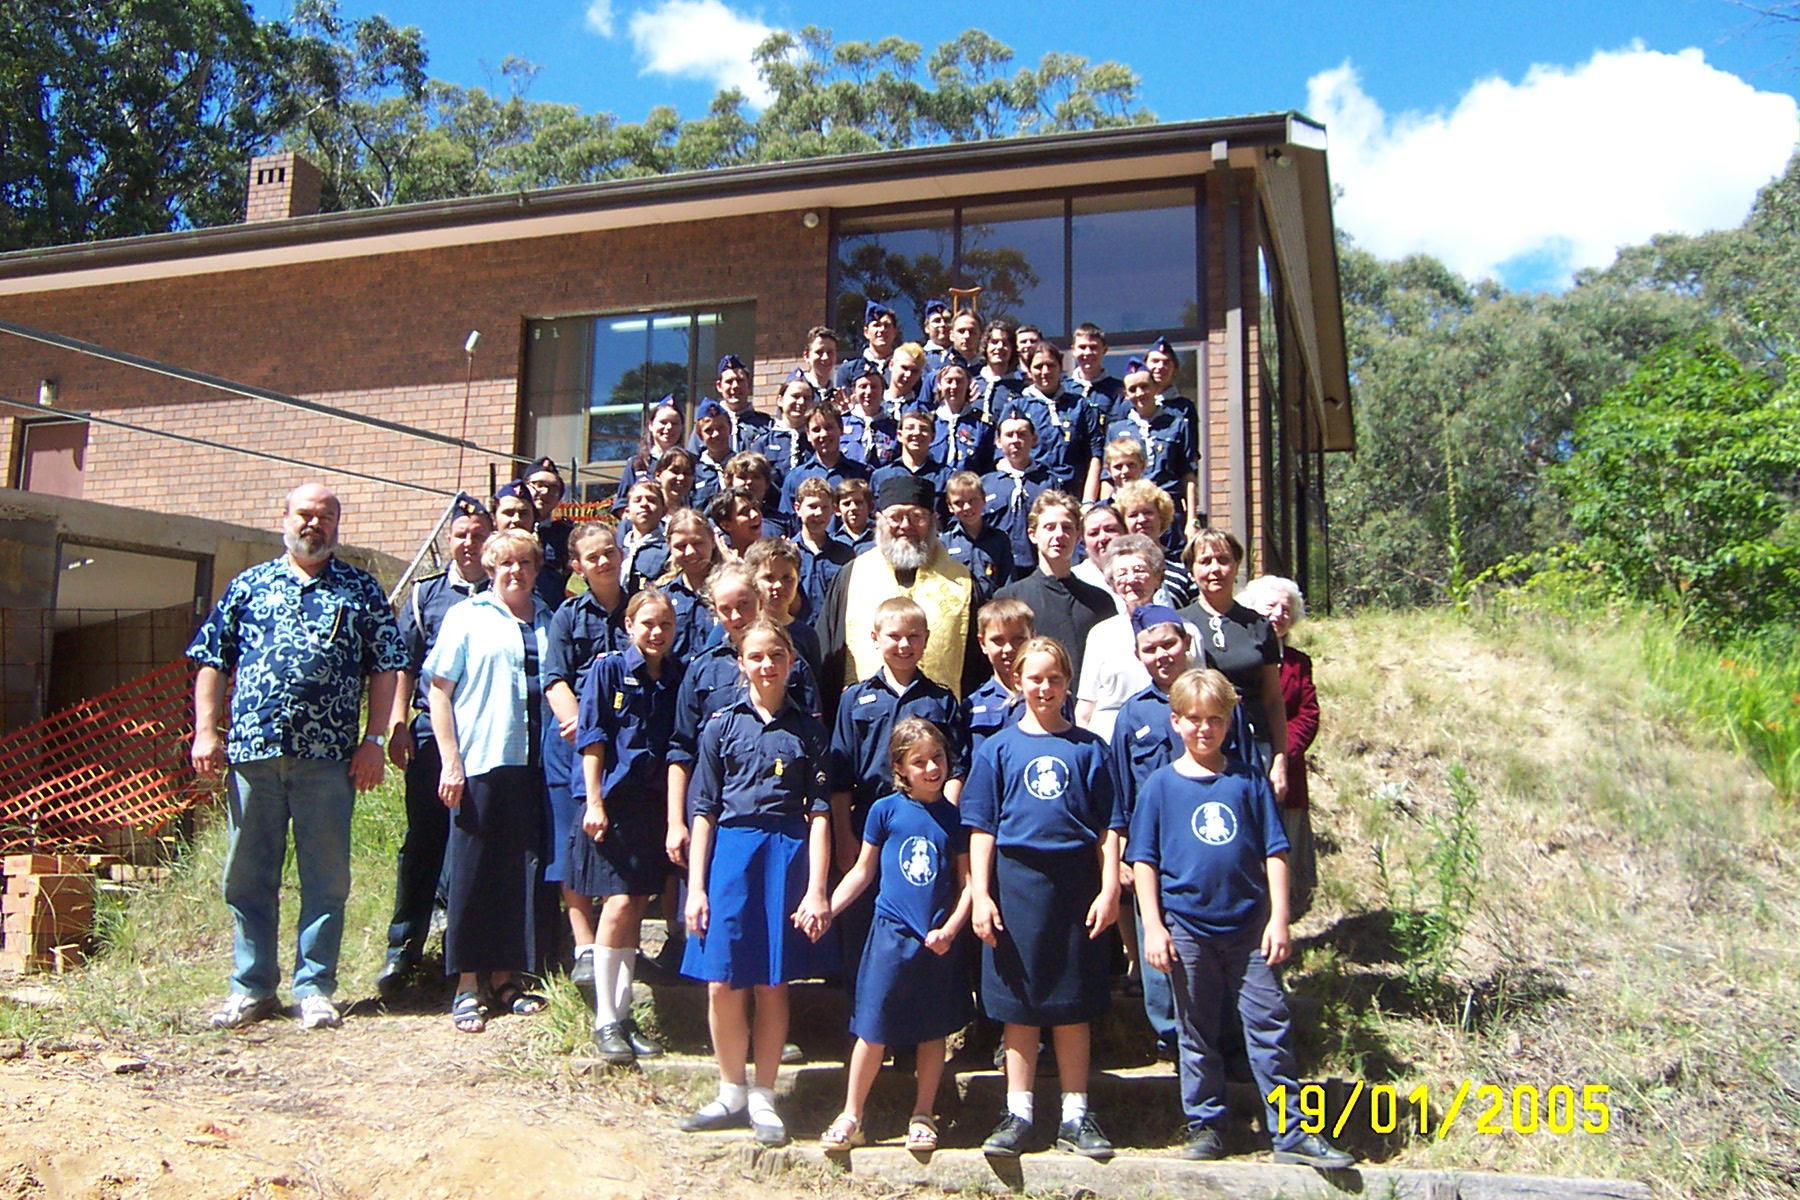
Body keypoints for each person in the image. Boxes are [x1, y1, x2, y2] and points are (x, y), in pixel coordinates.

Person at [188, 483, 405, 1031]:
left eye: (326, 516)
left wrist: (373, 741)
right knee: (247, 877)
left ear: (337, 525)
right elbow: (213, 658)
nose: (315, 524)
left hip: (330, 759)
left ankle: (315, 988)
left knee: (325, 879)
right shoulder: (249, 584)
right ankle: (252, 987)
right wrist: (205, 732)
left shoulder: (361, 589)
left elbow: (386, 666)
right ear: (284, 517)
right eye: (305, 514)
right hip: (254, 754)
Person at [1128, 669, 1353, 1169]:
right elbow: (1144, 861)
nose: (1204, 729)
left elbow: (1275, 851)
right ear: (1175, 721)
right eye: (1193, 719)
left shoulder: (1248, 781)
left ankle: (1292, 1130)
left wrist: (1279, 919)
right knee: (1197, 1031)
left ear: (1229, 722)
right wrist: (1155, 926)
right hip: (1188, 927)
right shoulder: (1160, 787)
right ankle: (1207, 1124)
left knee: (1270, 1024)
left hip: (1250, 928)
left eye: (1214, 719)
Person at [962, 636, 1123, 1159]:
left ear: (1068, 683)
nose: (1045, 687)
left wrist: (1109, 887)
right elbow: (981, 828)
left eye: (1055, 678)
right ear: (1018, 681)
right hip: (1016, 885)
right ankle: (1019, 1112)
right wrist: (981, 894)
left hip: (1076, 887)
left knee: (1073, 1005)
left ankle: (1076, 1115)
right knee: (1021, 1006)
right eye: (1035, 678)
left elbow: (1110, 826)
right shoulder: (997, 749)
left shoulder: (1090, 749)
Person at [678, 620, 837, 1148]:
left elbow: (820, 814)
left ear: (791, 661)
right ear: (740, 663)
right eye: (756, 656)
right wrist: (696, 887)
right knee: (722, 980)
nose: (767, 665)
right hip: (730, 855)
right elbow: (703, 810)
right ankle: (731, 1091)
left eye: (777, 655)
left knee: (773, 981)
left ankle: (764, 1095)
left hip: (785, 857)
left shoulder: (810, 731)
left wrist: (817, 889)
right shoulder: (720, 726)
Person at [820, 718, 973, 1154]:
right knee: (873, 1027)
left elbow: (968, 886)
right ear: (900, 768)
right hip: (889, 934)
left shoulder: (956, 819)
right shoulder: (884, 811)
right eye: (919, 762)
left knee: (932, 1030)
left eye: (938, 758)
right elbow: (862, 872)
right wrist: (828, 908)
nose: (932, 768)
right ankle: (852, 1114)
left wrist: (950, 929)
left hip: (936, 940)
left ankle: (923, 1114)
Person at [424, 527, 554, 1033]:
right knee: (473, 870)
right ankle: (466, 985)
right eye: (505, 563)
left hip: (535, 763)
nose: (515, 571)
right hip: (482, 758)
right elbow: (439, 691)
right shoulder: (467, 616)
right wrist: (450, 761)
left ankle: (506, 979)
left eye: (525, 563)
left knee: (520, 870)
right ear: (490, 568)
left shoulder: (549, 618)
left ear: (536, 570)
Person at [378, 493, 491, 997]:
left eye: (478, 535)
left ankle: (459, 950)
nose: (469, 543)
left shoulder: (503, 592)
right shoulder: (426, 595)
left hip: (483, 731)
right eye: (461, 535)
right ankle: (403, 949)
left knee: (472, 839)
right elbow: (403, 663)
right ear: (449, 539)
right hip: (428, 730)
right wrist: (397, 724)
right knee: (423, 839)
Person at [578, 588, 684, 1064]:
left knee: (638, 905)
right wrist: (594, 801)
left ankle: (623, 1017)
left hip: (654, 804)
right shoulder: (608, 670)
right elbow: (593, 738)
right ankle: (604, 1018)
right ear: (629, 626)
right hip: (616, 803)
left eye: (665, 624)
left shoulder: (677, 675)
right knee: (618, 904)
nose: (657, 632)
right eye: (648, 624)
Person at [1106, 605, 1197, 1060]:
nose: (1162, 655)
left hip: (1205, 846)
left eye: (1169, 644)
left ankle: (1217, 1034)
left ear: (1186, 644)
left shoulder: (1218, 702)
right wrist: (1122, 851)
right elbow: (1120, 793)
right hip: (1153, 851)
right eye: (1150, 648)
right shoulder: (1133, 714)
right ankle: (1170, 1037)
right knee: (1155, 939)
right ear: (1138, 655)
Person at [543, 524, 631, 988]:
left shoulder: (640, 606)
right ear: (577, 566)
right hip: (573, 744)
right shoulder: (567, 615)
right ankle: (584, 946)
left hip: (629, 745)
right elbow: (555, 678)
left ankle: (622, 944)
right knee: (572, 842)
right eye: (593, 557)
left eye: (609, 552)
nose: (604, 562)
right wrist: (581, 724)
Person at [817, 474, 981, 708]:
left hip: (939, 716)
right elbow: (829, 656)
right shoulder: (852, 576)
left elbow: (977, 664)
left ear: (933, 520)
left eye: (917, 516)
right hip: (868, 717)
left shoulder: (962, 581)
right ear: (879, 520)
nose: (906, 526)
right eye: (895, 517)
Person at [1176, 531, 1288, 802]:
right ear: (1191, 570)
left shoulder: (1259, 625)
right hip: (1196, 748)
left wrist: (1280, 759)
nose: (1215, 569)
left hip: (1253, 746)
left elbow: (1274, 699)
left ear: (1237, 566)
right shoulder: (1178, 625)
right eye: (1205, 561)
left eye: (1223, 560)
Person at [1240, 575, 1319, 916]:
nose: (1278, 614)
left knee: (1282, 848)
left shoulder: (1299, 662)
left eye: (1286, 609)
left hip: (1285, 769)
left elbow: (1308, 714)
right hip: (1240, 763)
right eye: (1270, 606)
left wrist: (1281, 752)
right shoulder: (1239, 655)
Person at [1075, 536, 1203, 741]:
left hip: (1169, 735)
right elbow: (1086, 705)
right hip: (1111, 738)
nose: (1131, 579)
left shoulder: (1186, 630)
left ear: (1157, 578)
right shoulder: (1101, 634)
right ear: (1112, 583)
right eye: (1122, 573)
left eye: (1139, 570)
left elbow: (1201, 692)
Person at [994, 492, 1115, 687]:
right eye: (1049, 527)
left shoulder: (1100, 602)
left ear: (1077, 537)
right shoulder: (1010, 599)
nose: (1059, 534)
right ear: (1033, 534)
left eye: (1066, 528)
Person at [1106, 364, 1199, 546]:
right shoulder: (1116, 430)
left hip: (1170, 513)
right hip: (1133, 515)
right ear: (1126, 394)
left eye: (1144, 386)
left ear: (1156, 388)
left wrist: (1192, 520)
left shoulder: (1177, 425)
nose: (1140, 393)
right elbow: (1109, 478)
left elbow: (1188, 476)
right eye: (1133, 389)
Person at [1014, 343, 1103, 502]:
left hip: (1074, 494)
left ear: (1061, 368)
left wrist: (1088, 501)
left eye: (1051, 365)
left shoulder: (1079, 405)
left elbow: (1095, 453)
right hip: (1033, 495)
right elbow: (1003, 457)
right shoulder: (1018, 407)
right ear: (1029, 371)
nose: (1045, 371)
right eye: (1038, 366)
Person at [980, 410, 1054, 578]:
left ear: (1034, 440)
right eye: (1009, 435)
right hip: (995, 570)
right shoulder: (985, 484)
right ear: (998, 442)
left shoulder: (1048, 483)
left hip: (1037, 570)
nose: (1015, 440)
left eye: (1022, 434)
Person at [961, 597, 1035, 762]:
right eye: (998, 640)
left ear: (1032, 637)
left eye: (1018, 639)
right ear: (982, 643)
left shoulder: (1049, 697)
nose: (1008, 649)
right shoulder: (973, 705)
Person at [1112, 481, 1197, 606]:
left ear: (1161, 516)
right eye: (1133, 515)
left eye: (1148, 512)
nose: (1142, 520)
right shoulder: (1115, 569)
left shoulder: (1182, 567)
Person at [779, 401, 870, 516]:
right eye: (816, 429)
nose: (823, 434)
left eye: (829, 427)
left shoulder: (861, 474)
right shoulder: (795, 478)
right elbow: (786, 521)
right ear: (808, 435)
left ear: (841, 429)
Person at [655, 507, 722, 663]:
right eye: (681, 546)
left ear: (713, 540)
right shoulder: (663, 597)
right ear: (669, 545)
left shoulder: (729, 594)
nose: (690, 552)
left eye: (698, 543)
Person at [942, 470, 1015, 602]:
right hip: (960, 610)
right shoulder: (945, 543)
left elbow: (1008, 582)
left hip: (993, 609)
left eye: (972, 500)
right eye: (959, 503)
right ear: (950, 506)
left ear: (984, 498)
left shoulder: (1000, 540)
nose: (967, 507)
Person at [792, 477, 856, 620]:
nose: (819, 513)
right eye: (812, 506)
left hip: (833, 629)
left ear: (833, 510)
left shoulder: (845, 553)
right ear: (797, 508)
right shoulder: (788, 552)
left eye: (825, 507)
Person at [613, 396, 686, 513]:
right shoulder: (636, 464)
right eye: (663, 422)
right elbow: (621, 505)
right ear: (651, 425)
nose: (668, 427)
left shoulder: (690, 465)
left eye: (674, 423)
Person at [870, 409, 949, 513]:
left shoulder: (946, 476)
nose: (917, 432)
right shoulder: (881, 476)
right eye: (910, 428)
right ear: (899, 435)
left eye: (924, 429)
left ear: (933, 437)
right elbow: (872, 515)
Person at [522, 457, 575, 609]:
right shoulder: (507, 529)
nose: (545, 492)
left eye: (553, 488)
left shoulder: (567, 536)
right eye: (538, 485)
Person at [929, 361, 995, 476]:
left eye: (959, 381)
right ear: (939, 384)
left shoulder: (981, 424)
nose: (954, 386)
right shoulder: (930, 422)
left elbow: (988, 465)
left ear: (968, 384)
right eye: (949, 381)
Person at [699, 354, 771, 455]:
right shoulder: (706, 426)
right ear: (719, 386)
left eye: (740, 380)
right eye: (729, 381)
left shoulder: (767, 425)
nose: (735, 386)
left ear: (749, 384)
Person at [755, 375, 815, 488]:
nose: (801, 402)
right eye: (795, 396)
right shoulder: (764, 442)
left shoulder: (816, 442)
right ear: (780, 400)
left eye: (807, 398)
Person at [840, 361, 899, 468]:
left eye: (874, 386)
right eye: (863, 386)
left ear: (882, 392)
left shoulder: (894, 428)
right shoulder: (841, 423)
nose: (868, 392)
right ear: (854, 391)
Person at [833, 301, 900, 392]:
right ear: (866, 332)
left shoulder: (905, 369)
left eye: (887, 325)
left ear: (895, 332)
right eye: (876, 325)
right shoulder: (848, 371)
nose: (882, 330)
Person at [619, 480, 670, 592]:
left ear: (663, 511)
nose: (644, 504)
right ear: (627, 512)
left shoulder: (669, 551)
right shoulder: (617, 550)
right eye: (637, 500)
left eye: (651, 500)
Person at [972, 319, 1025, 423]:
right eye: (994, 342)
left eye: (1005, 343)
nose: (1000, 347)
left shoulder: (1021, 389)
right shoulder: (972, 385)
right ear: (986, 346)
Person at [1067, 323, 1124, 415]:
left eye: (1093, 347)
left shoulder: (1118, 390)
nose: (1088, 352)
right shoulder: (1063, 389)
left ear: (1104, 350)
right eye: (1082, 347)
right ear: (1073, 350)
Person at [691, 399, 736, 511]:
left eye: (721, 428)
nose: (716, 434)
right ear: (700, 435)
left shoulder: (742, 466)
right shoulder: (694, 472)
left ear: (730, 428)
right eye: (708, 430)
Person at [708, 488, 764, 562]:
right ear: (726, 525)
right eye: (745, 512)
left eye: (755, 508)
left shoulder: (773, 556)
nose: (755, 514)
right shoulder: (722, 563)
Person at [798, 325, 841, 407]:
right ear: (806, 356)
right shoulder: (797, 391)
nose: (825, 357)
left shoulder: (840, 392)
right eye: (819, 352)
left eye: (830, 352)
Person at [834, 478, 875, 552]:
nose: (853, 508)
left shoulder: (881, 538)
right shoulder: (833, 543)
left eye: (858, 502)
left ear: (870, 507)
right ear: (837, 510)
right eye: (847, 504)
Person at [656, 447, 699, 514]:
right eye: (675, 471)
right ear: (658, 475)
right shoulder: (650, 512)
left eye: (687, 473)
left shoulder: (693, 513)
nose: (681, 477)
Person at [920, 298, 954, 370]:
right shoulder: (920, 358)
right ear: (927, 328)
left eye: (947, 320)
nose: (943, 324)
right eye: (937, 321)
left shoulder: (962, 354)